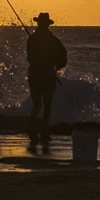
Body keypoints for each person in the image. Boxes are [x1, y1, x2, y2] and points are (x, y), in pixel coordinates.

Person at [26, 11, 67, 142]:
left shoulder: (32, 39)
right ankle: (43, 131)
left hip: (36, 75)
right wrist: (57, 65)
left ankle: (33, 130)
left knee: (37, 105)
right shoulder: (52, 40)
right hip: (47, 75)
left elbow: (29, 58)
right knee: (46, 105)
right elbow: (63, 55)